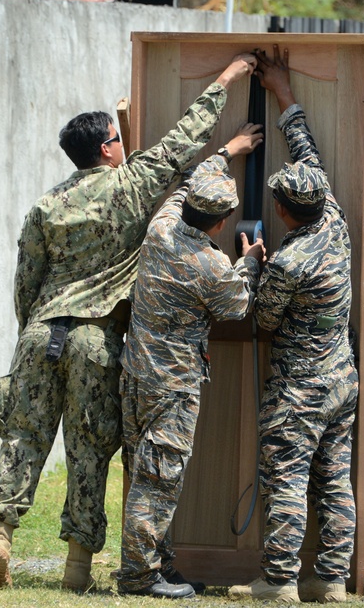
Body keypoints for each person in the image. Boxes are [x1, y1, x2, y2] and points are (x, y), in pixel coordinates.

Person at [0, 52, 259, 591]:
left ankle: (0, 534)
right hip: (95, 337)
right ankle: (77, 570)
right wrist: (228, 78)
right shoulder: (131, 185)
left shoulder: (45, 205)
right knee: (88, 451)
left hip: (41, 332)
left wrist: (29, 333)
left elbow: (25, 281)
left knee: (22, 438)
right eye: (118, 137)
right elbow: (182, 142)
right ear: (108, 148)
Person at [228, 46, 359, 604]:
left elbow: (261, 319)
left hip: (298, 390)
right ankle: (329, 579)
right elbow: (308, 153)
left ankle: (278, 582)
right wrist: (284, 92)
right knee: (334, 482)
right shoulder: (332, 218)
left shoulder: (288, 261)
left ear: (282, 213)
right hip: (341, 381)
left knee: (287, 481)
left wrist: (253, 266)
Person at [116, 127, 267, 598]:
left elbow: (187, 184)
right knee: (158, 479)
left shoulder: (161, 226)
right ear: (222, 223)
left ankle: (158, 564)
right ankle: (140, 578)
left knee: (147, 472)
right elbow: (238, 304)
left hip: (136, 375)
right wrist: (251, 262)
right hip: (173, 386)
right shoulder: (210, 265)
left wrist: (226, 151)